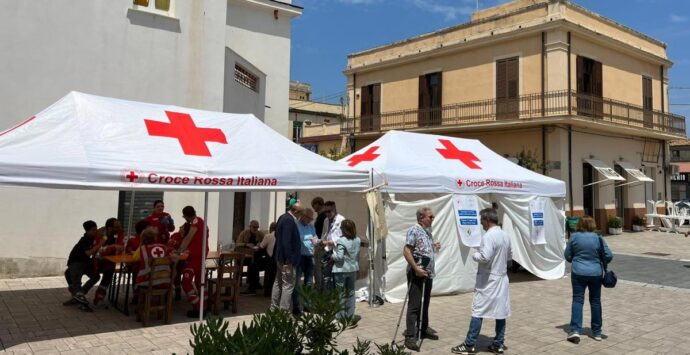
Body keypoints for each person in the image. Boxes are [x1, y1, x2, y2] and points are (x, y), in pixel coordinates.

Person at [452, 208, 512, 355]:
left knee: (478, 310)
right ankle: (498, 343)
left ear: (486, 220)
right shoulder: (505, 235)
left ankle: (470, 344)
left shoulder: (488, 236)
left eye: (481, 220)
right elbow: (510, 255)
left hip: (489, 280)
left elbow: (485, 257)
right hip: (501, 277)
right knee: (500, 312)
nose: (480, 223)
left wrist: (475, 254)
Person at [564, 216, 613, 344]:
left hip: (578, 272)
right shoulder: (598, 238)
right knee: (595, 301)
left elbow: (567, 255)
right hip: (595, 273)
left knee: (577, 300)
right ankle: (597, 332)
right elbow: (609, 255)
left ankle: (575, 330)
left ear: (579, 224)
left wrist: (575, 259)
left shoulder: (574, 237)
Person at [403, 207, 440, 351]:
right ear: (421, 218)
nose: (433, 218)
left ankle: (423, 328)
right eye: (430, 217)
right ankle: (410, 335)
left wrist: (433, 246)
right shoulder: (414, 230)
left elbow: (423, 248)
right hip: (417, 272)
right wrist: (416, 269)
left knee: (425, 302)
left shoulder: (427, 232)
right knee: (415, 304)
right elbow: (407, 251)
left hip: (428, 272)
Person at [178, 206, 210, 318]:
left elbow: (188, 238)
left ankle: (197, 306)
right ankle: (204, 307)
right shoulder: (202, 221)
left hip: (194, 256)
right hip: (202, 254)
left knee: (186, 282)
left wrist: (179, 251)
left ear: (186, 216)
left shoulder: (195, 222)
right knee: (200, 281)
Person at [65, 220, 103, 311]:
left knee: (96, 276)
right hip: (76, 263)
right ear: (87, 231)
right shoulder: (85, 240)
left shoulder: (93, 238)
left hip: (85, 263)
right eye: (93, 230)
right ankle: (81, 303)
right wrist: (100, 244)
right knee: (77, 283)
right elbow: (88, 253)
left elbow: (102, 232)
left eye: (96, 229)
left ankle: (79, 294)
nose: (96, 231)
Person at [271, 204, 303, 311]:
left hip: (280, 257)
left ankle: (274, 308)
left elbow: (277, 235)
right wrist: (289, 260)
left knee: (278, 283)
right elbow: (286, 242)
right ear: (296, 212)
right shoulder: (289, 220)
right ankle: (283, 312)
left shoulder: (282, 217)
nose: (301, 216)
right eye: (301, 213)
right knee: (288, 285)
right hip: (286, 260)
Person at [331, 219, 361, 322]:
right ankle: (350, 316)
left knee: (341, 294)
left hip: (341, 270)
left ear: (344, 229)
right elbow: (358, 256)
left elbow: (339, 257)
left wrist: (331, 256)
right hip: (353, 269)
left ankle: (341, 316)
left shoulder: (341, 240)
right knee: (351, 293)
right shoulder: (357, 240)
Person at [92, 217, 125, 306]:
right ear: (110, 228)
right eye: (117, 227)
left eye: (120, 226)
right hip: (97, 262)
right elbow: (98, 251)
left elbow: (121, 246)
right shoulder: (102, 235)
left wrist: (115, 248)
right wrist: (113, 247)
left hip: (110, 261)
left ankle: (100, 294)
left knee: (109, 272)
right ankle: (81, 293)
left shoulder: (119, 233)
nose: (119, 229)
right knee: (96, 276)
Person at [292, 208, 316, 315]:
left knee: (309, 282)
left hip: (310, 256)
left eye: (312, 218)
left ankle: (307, 305)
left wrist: (316, 240)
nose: (310, 220)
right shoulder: (296, 225)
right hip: (300, 256)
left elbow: (315, 237)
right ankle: (296, 307)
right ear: (303, 215)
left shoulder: (311, 226)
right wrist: (309, 237)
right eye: (309, 218)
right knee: (297, 282)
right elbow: (298, 238)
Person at [318, 201, 345, 290]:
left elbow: (343, 238)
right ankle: (327, 298)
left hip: (337, 251)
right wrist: (321, 243)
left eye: (329, 211)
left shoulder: (342, 220)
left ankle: (335, 298)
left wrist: (330, 242)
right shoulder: (326, 220)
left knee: (336, 277)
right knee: (326, 276)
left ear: (335, 209)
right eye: (325, 211)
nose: (327, 213)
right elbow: (324, 234)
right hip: (327, 251)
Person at [237, 220, 267, 294]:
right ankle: (253, 284)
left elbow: (265, 243)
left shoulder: (260, 234)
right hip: (245, 257)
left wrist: (261, 244)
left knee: (255, 264)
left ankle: (254, 284)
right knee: (252, 264)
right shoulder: (244, 233)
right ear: (250, 226)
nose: (255, 229)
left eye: (257, 227)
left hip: (256, 256)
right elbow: (237, 244)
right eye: (254, 227)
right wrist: (246, 244)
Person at [256, 222, 277, 297]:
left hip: (270, 260)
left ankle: (258, 287)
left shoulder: (268, 236)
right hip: (278, 260)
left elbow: (261, 247)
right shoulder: (281, 235)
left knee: (255, 265)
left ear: (271, 228)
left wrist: (258, 244)